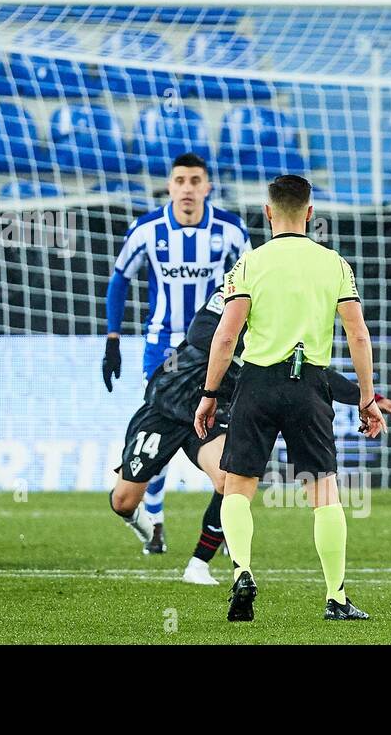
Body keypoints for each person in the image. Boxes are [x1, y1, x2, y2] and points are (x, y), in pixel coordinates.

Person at [110, 289, 391, 584]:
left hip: (212, 413)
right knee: (123, 501)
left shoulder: (286, 329)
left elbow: (321, 375)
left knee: (228, 477)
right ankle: (148, 530)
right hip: (167, 405)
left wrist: (372, 398)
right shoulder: (238, 288)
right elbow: (200, 333)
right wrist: (250, 344)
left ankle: (198, 564)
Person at [195, 175, 385, 622]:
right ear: (311, 214)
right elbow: (358, 334)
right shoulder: (335, 264)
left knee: (238, 489)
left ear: (267, 212)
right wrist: (366, 398)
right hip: (310, 385)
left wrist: (208, 394)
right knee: (324, 492)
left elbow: (225, 337)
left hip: (256, 383)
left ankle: (242, 571)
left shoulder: (249, 265)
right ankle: (335, 597)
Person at [103, 153, 250, 554]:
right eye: (180, 180)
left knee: (215, 432)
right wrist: (112, 339)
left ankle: (214, 525)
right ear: (170, 186)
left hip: (215, 353)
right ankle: (157, 523)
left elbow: (253, 288)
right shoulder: (147, 229)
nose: (187, 188)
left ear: (207, 187)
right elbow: (119, 280)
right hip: (163, 351)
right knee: (164, 430)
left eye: (195, 180)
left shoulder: (231, 231)